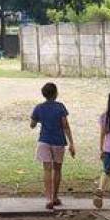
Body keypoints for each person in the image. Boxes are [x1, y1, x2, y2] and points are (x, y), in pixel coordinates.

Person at [30, 82, 75, 210]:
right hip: (58, 141)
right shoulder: (60, 107)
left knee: (47, 170)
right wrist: (71, 143)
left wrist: (39, 120)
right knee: (57, 169)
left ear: (43, 94)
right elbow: (65, 125)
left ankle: (48, 199)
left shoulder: (39, 108)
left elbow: (32, 125)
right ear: (56, 93)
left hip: (44, 140)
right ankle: (55, 197)